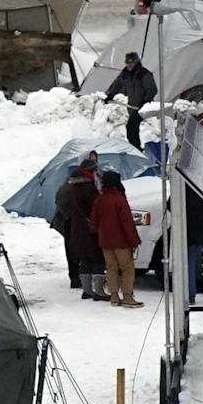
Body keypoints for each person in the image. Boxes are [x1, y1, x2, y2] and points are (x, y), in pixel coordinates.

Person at [54, 151, 107, 299]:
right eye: (91, 160)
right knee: (94, 256)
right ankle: (94, 289)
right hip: (84, 225)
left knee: (85, 256)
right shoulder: (85, 185)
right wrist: (70, 217)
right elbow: (64, 202)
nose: (95, 163)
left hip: (79, 224)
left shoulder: (80, 181)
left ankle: (86, 288)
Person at [90, 170, 143, 308]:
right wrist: (134, 241)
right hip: (121, 242)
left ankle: (114, 296)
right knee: (127, 268)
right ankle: (127, 297)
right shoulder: (119, 199)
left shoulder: (99, 199)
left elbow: (94, 222)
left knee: (111, 268)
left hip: (105, 242)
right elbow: (127, 223)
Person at [106, 52, 156, 150]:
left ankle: (137, 149)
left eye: (131, 63)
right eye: (127, 63)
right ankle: (136, 149)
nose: (129, 65)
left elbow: (152, 89)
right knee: (131, 130)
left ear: (136, 62)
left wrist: (145, 101)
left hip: (144, 106)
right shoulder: (125, 74)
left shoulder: (144, 74)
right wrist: (110, 95)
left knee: (131, 127)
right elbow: (117, 85)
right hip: (133, 106)